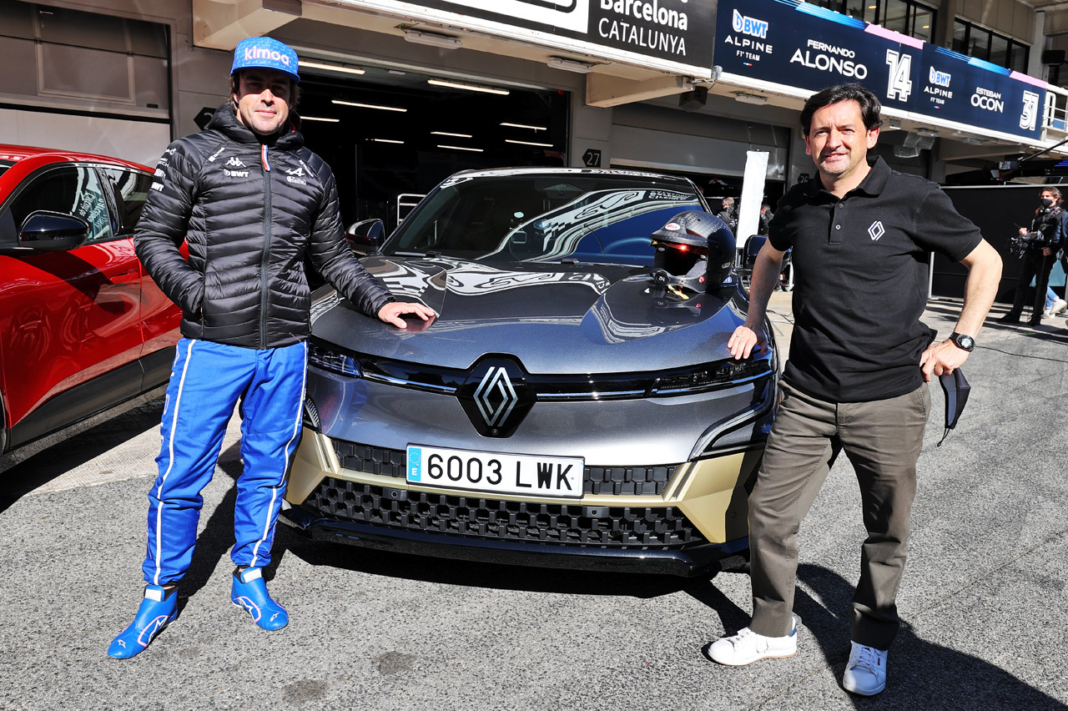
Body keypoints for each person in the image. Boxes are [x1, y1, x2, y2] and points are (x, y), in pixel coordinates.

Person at [107, 36, 435, 659]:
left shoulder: (313, 170)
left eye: (279, 88)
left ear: (292, 98)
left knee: (266, 470)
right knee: (181, 476)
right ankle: (159, 591)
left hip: (285, 346)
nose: (267, 96)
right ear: (234, 90)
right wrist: (196, 294)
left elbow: (333, 255)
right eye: (256, 84)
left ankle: (250, 576)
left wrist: (380, 301)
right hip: (212, 344)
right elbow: (151, 236)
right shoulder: (194, 155)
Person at [708, 83, 1002, 696]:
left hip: (890, 397)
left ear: (871, 135)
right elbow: (768, 257)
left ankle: (870, 642)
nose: (831, 141)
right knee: (768, 513)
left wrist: (961, 341)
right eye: (820, 131)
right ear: (808, 140)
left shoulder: (915, 198)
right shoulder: (800, 201)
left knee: (886, 528)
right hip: (807, 394)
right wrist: (753, 319)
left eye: (845, 129)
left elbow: (987, 262)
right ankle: (771, 628)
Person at [1000, 187, 1067, 326]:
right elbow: (1035, 232)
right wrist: (1026, 234)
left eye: (1047, 196)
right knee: (1022, 284)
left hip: (1046, 254)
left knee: (1041, 286)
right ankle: (1015, 314)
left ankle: (1036, 317)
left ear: (1056, 197)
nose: (1044, 198)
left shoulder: (1062, 214)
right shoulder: (1039, 212)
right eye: (1042, 196)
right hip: (1032, 251)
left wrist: (1052, 249)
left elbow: (1062, 236)